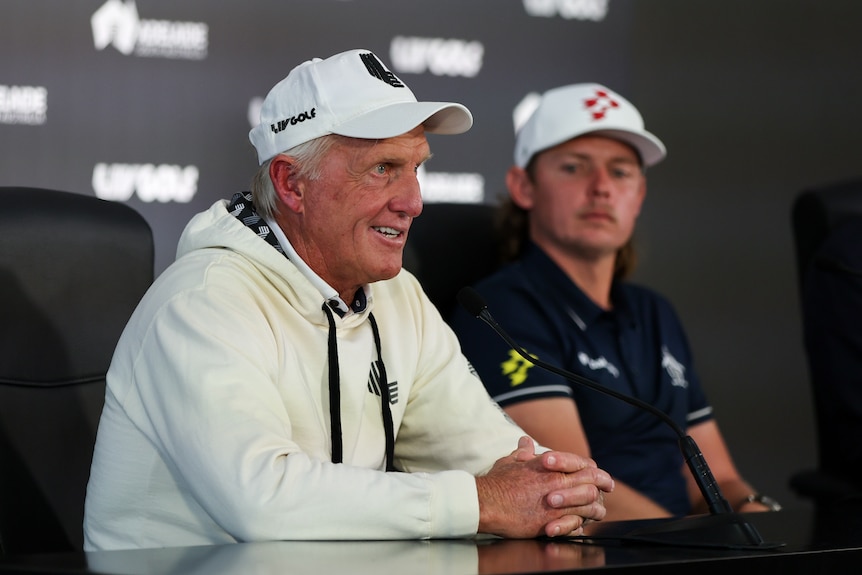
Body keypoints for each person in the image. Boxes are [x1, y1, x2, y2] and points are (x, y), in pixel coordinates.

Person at [82, 50, 614, 551]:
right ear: (292, 184)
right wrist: (481, 502)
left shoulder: (397, 297)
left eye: (416, 168)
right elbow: (263, 502)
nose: (413, 202)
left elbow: (486, 452)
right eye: (383, 168)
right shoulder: (202, 303)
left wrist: (556, 490)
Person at [449, 83, 779, 524]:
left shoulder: (654, 311)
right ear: (523, 187)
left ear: (639, 195)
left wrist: (759, 523)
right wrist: (700, 548)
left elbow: (719, 479)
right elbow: (573, 491)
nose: (602, 187)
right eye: (573, 168)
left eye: (621, 172)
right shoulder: (501, 309)